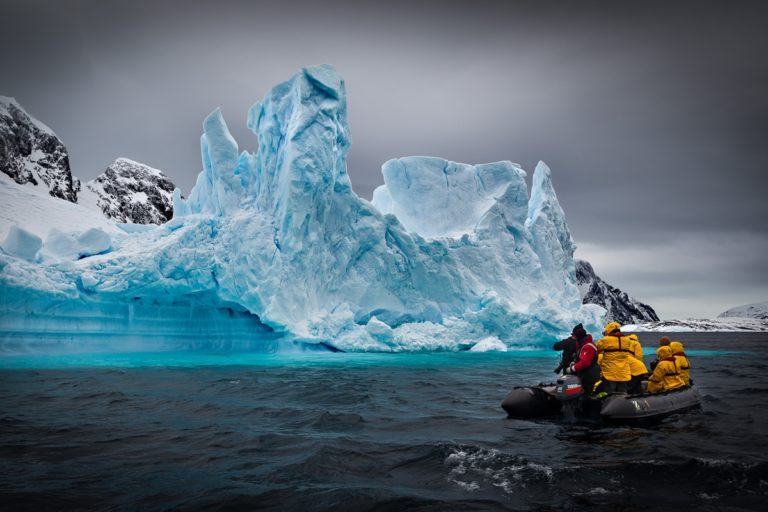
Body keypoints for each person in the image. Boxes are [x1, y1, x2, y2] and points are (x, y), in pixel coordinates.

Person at [563, 323, 600, 395]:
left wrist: (573, 368)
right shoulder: (583, 345)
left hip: (589, 375)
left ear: (578, 337)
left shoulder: (588, 346)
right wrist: (575, 363)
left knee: (586, 392)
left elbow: (585, 362)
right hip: (587, 373)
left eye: (574, 336)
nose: (572, 337)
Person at [596, 322, 632, 393]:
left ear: (608, 330)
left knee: (609, 394)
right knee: (622, 394)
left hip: (610, 372)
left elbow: (596, 349)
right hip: (623, 372)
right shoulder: (627, 340)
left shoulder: (605, 340)